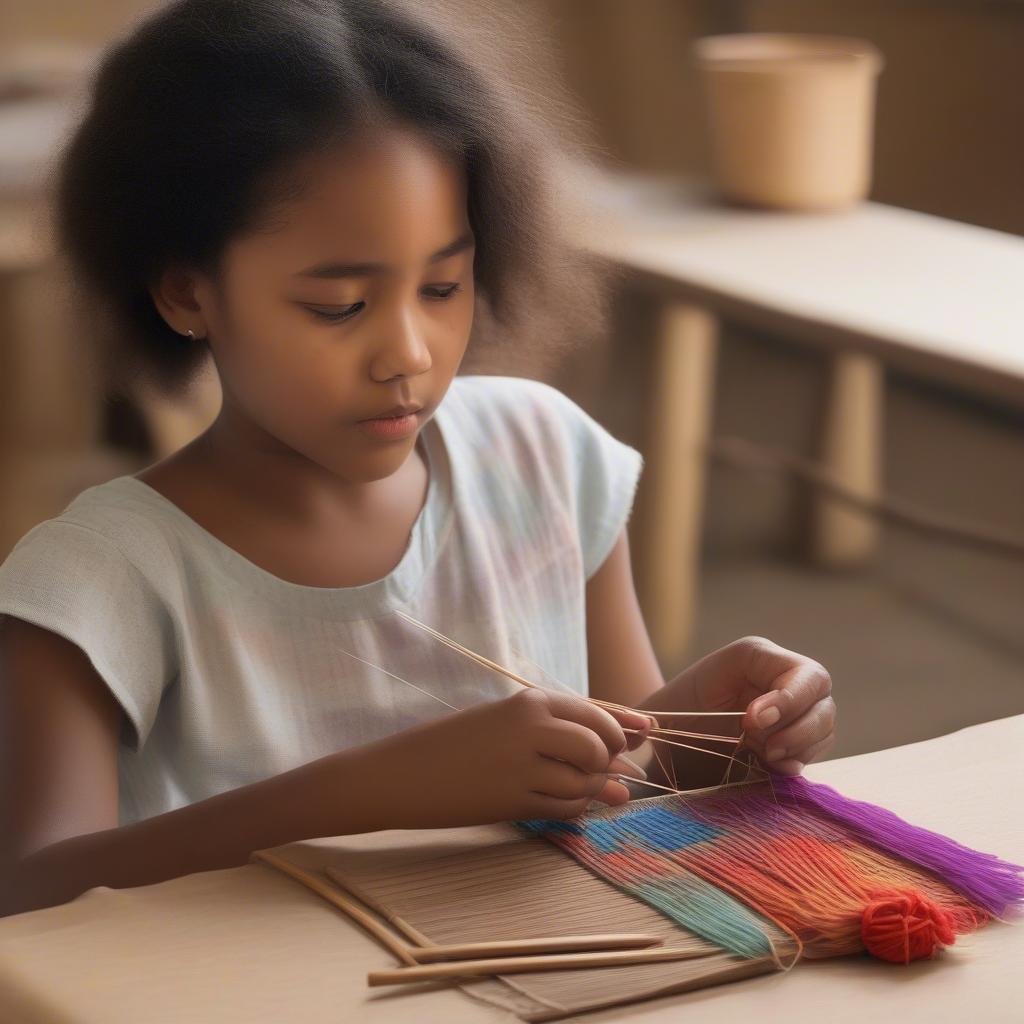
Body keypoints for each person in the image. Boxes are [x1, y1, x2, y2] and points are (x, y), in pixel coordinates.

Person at [0, 0, 835, 918]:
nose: (409, 351)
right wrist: (366, 791)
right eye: (339, 305)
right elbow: (29, 894)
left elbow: (629, 782)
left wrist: (709, 730)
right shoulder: (101, 580)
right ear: (188, 291)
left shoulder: (543, 459)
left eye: (442, 286)